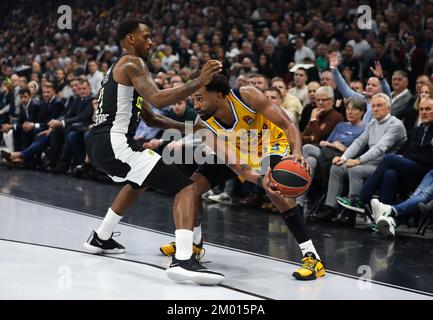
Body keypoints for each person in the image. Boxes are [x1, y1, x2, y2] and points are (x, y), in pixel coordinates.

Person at [82, 19, 224, 286]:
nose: (151, 41)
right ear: (130, 39)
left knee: (139, 182)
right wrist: (198, 82)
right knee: (186, 188)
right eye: (146, 36)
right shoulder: (132, 63)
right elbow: (159, 98)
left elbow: (150, 117)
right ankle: (183, 259)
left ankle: (101, 237)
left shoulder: (121, 70)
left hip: (102, 143)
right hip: (115, 143)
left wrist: (187, 127)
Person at [152, 73, 326, 280]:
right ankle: (195, 244)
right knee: (191, 189)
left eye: (199, 98)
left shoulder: (246, 95)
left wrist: (296, 153)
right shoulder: (203, 123)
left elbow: (288, 124)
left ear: (218, 95)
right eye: (193, 100)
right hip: (238, 151)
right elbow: (238, 166)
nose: (195, 105)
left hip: (270, 145)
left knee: (278, 193)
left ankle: (312, 257)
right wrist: (261, 181)